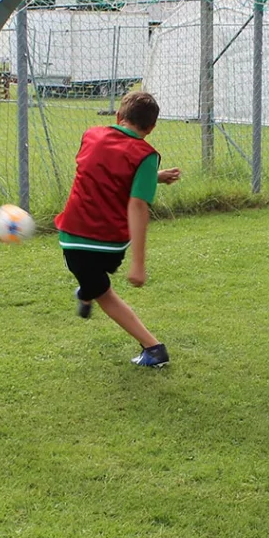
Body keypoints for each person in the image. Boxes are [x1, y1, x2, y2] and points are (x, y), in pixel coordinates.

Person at [55, 91, 181, 368]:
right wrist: (136, 262)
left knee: (104, 293)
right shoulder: (147, 156)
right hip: (113, 246)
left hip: (77, 238)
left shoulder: (91, 135)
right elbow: (134, 199)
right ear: (151, 128)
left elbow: (108, 172)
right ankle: (86, 292)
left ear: (118, 116)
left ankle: (154, 348)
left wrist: (139, 265)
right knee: (93, 281)